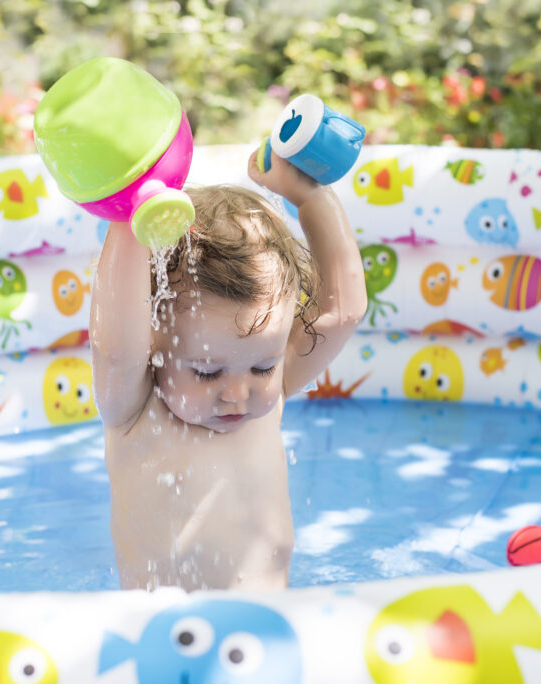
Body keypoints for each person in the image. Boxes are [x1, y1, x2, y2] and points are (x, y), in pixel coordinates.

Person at [90, 147, 367, 591]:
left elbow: (342, 310)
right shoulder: (135, 407)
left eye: (262, 366)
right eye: (205, 372)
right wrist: (130, 217)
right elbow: (115, 350)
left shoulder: (271, 392)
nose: (238, 393)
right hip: (166, 636)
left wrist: (310, 198)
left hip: (269, 626)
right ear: (153, 339)